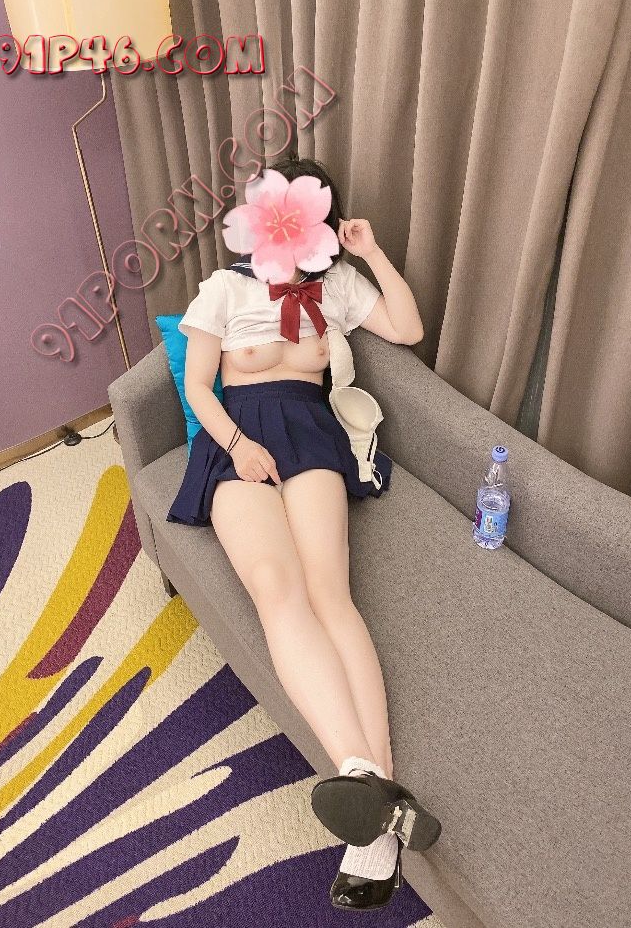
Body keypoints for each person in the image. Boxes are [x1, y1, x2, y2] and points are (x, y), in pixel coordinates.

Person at [168, 155, 441, 911]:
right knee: (276, 589)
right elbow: (197, 385)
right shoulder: (225, 288)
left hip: (311, 432)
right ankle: (368, 785)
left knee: (330, 593)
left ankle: (368, 799)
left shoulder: (337, 285)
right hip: (236, 438)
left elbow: (409, 328)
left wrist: (370, 252)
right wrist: (235, 446)